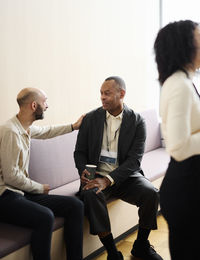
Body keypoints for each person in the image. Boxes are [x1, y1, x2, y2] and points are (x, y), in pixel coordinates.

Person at [74, 76, 163, 260]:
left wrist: (108, 180)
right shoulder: (90, 118)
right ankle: (113, 253)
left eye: (107, 93)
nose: (102, 97)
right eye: (101, 93)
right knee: (91, 194)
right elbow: (79, 152)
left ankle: (141, 246)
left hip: (125, 176)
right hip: (96, 175)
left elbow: (134, 161)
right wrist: (83, 171)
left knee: (151, 193)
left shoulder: (138, 121)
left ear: (121, 94)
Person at [0, 87, 84, 260]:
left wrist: (73, 127)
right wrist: (39, 188)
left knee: (75, 206)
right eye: (44, 102)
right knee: (46, 217)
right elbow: (10, 176)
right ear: (33, 105)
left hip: (20, 193)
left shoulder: (25, 128)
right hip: (5, 196)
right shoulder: (10, 131)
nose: (47, 106)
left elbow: (47, 131)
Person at [154, 20, 200, 260]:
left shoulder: (184, 82)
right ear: (185, 46)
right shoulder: (179, 85)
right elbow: (179, 147)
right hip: (186, 191)